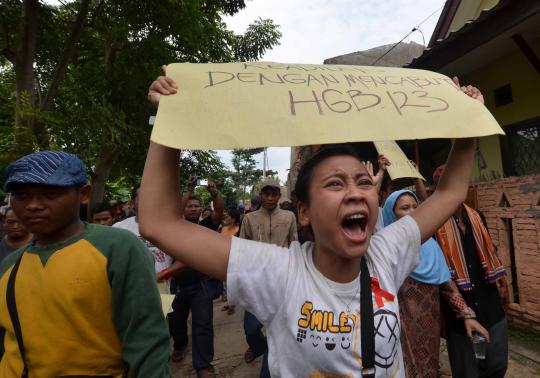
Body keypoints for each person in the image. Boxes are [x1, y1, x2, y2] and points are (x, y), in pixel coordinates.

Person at [141, 73, 483, 377]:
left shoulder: (387, 253)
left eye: (364, 182)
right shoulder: (277, 271)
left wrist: (468, 124)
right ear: (303, 212)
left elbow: (450, 192)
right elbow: (159, 223)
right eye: (335, 184)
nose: (355, 193)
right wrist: (167, 122)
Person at [0, 150, 169, 377]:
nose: (33, 205)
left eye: (50, 193)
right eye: (21, 195)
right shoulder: (9, 265)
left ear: (84, 194)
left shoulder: (118, 248)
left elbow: (147, 339)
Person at [382, 189, 488, 378]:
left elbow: (448, 287)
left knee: (428, 366)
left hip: (428, 326)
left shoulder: (430, 246)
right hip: (394, 325)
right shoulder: (383, 251)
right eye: (404, 208)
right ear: (391, 213)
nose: (412, 212)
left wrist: (467, 316)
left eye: (416, 207)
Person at [433, 165, 509, 378]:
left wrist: (503, 283)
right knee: (467, 372)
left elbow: (490, 251)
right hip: (459, 314)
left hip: (490, 305)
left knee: (497, 366)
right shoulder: (433, 226)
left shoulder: (477, 217)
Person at [239, 178, 298, 376]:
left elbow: (294, 245)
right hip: (256, 281)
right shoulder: (249, 218)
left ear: (279, 196)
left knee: (276, 332)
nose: (270, 198)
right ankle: (258, 348)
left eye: (274, 194)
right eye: (267, 194)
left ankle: (268, 367)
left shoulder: (289, 217)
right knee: (251, 328)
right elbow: (242, 249)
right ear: (261, 196)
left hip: (281, 280)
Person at [168, 176, 224, 377]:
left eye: (195, 206)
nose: (192, 208)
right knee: (176, 323)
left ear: (201, 209)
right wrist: (189, 190)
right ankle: (180, 345)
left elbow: (219, 211)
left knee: (203, 326)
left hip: (202, 285)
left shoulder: (208, 225)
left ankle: (203, 365)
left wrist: (214, 193)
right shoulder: (174, 227)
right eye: (189, 205)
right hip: (177, 285)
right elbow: (174, 211)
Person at [114, 185, 174, 293]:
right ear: (132, 204)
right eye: (144, 198)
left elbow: (185, 260)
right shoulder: (118, 228)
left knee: (160, 310)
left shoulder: (169, 227)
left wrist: (161, 274)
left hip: (160, 289)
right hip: (127, 291)